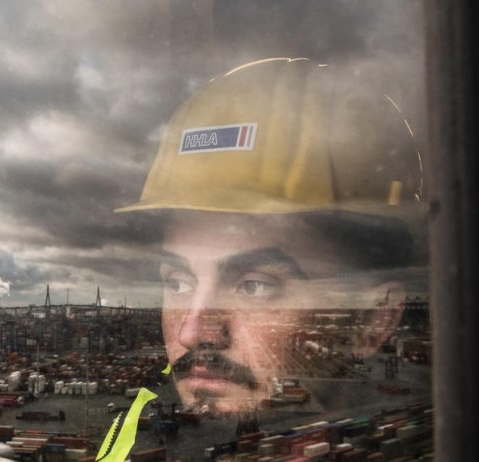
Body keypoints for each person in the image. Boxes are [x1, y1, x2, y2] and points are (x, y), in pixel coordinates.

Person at [116, 57, 427, 431]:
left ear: (375, 320)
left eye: (254, 286)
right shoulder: (118, 452)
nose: (192, 332)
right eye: (178, 283)